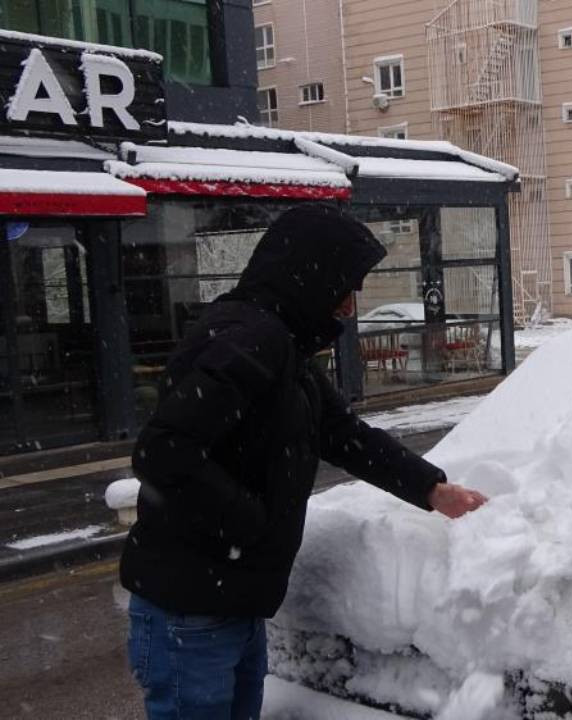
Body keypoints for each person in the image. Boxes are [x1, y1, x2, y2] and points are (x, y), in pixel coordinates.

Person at [120, 204, 488, 719]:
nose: (349, 306)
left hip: (231, 602)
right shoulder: (248, 339)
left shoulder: (282, 345)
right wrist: (249, 523)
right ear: (308, 276)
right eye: (345, 286)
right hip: (192, 611)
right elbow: (164, 451)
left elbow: (341, 435)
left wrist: (431, 489)